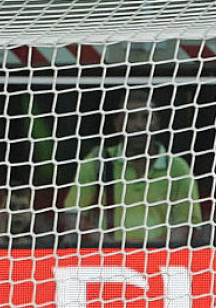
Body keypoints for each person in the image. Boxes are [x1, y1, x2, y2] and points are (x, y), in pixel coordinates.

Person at [62, 91, 204, 247]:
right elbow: (72, 215)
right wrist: (110, 246)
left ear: (156, 123)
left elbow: (187, 225)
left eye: (146, 117)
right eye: (130, 117)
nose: (139, 125)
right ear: (118, 124)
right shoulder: (98, 162)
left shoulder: (177, 168)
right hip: (106, 261)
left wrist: (149, 250)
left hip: (162, 260)